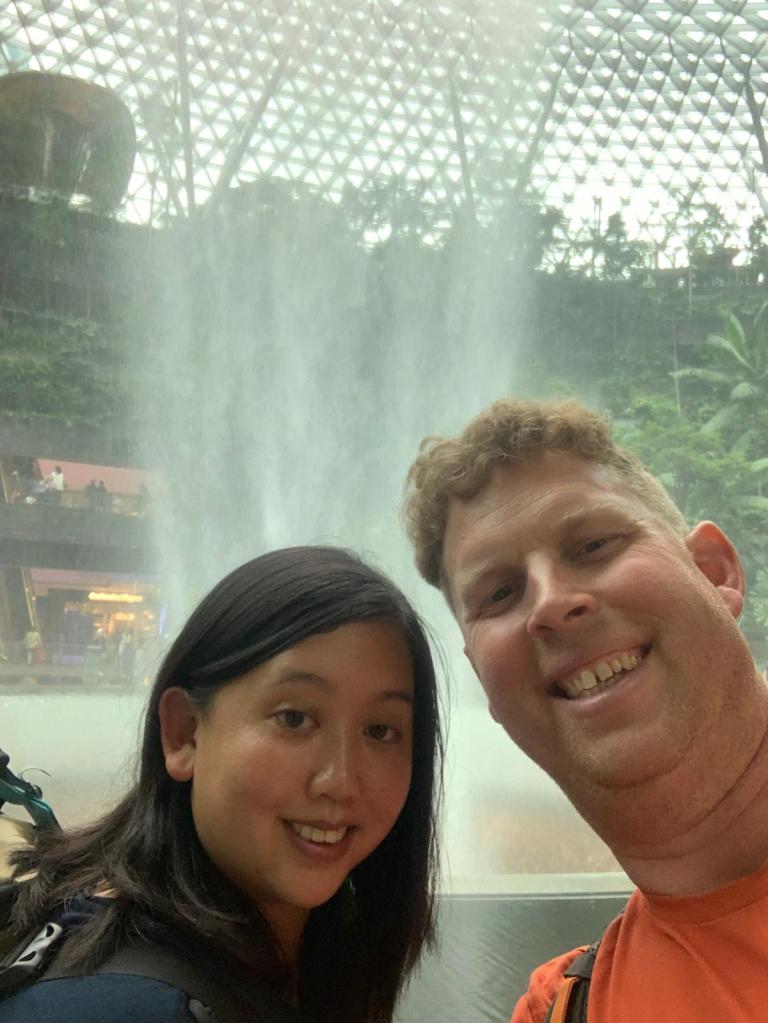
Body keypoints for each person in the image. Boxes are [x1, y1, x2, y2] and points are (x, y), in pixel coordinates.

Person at [403, 397, 768, 1023]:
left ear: (716, 572)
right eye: (500, 593)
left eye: (594, 545)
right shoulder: (563, 1009)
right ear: (485, 683)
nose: (550, 603)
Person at [1, 546, 443, 1023]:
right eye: (294, 718)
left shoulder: (313, 948)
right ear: (184, 732)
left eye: (379, 730)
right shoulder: (119, 1006)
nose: (339, 782)